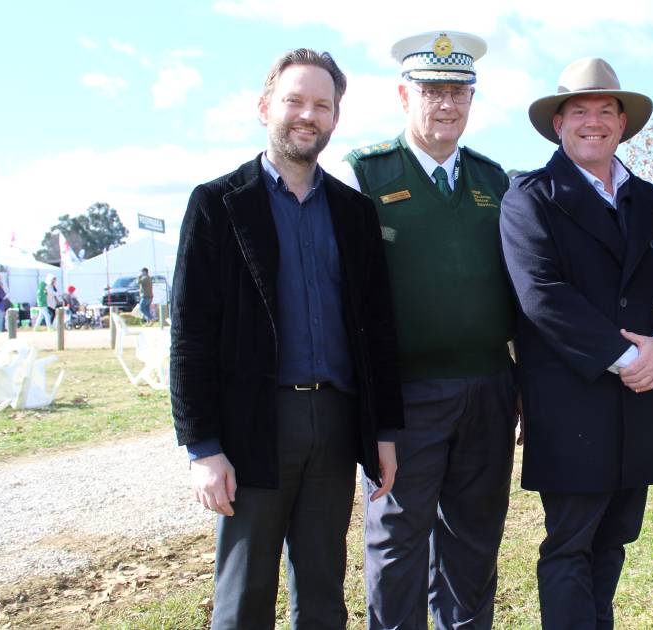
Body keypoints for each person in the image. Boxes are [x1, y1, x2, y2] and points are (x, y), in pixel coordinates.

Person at [171, 48, 404, 630]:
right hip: (254, 424)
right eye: (294, 101)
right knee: (244, 595)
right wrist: (203, 446)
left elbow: (376, 328)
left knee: (324, 592)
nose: (308, 115)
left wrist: (383, 432)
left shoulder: (354, 212)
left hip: (334, 421)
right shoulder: (217, 205)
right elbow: (190, 333)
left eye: (321, 105)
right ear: (264, 107)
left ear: (335, 119)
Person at [332, 31, 518, 630]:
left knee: (474, 540)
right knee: (397, 544)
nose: (446, 104)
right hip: (405, 398)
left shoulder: (496, 182)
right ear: (401, 95)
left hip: (489, 390)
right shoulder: (364, 174)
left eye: (458, 92)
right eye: (431, 90)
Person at [501, 57, 653, 630]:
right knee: (570, 546)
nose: (593, 121)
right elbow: (542, 296)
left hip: (641, 400)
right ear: (558, 124)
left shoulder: (651, 203)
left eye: (605, 110)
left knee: (614, 541)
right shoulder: (530, 198)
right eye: (579, 110)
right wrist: (629, 356)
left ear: (622, 123)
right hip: (572, 401)